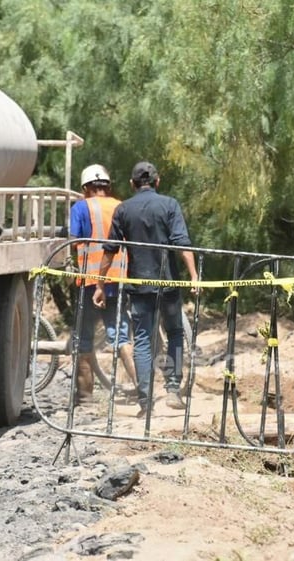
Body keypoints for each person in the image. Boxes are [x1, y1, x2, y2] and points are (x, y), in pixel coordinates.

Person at [92, 161, 199, 417]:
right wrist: (194, 276)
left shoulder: (123, 209)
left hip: (139, 286)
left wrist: (99, 284)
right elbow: (182, 242)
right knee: (174, 332)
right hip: (169, 283)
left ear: (132, 184)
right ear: (157, 181)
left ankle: (145, 402)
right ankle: (173, 390)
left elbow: (109, 251)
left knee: (142, 340)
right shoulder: (170, 205)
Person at [69, 164, 138, 405]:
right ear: (107, 186)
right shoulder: (121, 206)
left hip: (89, 282)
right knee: (120, 337)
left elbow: (74, 241)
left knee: (83, 337)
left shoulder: (80, 207)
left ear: (86, 188)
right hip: (118, 280)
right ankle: (142, 392)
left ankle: (86, 397)